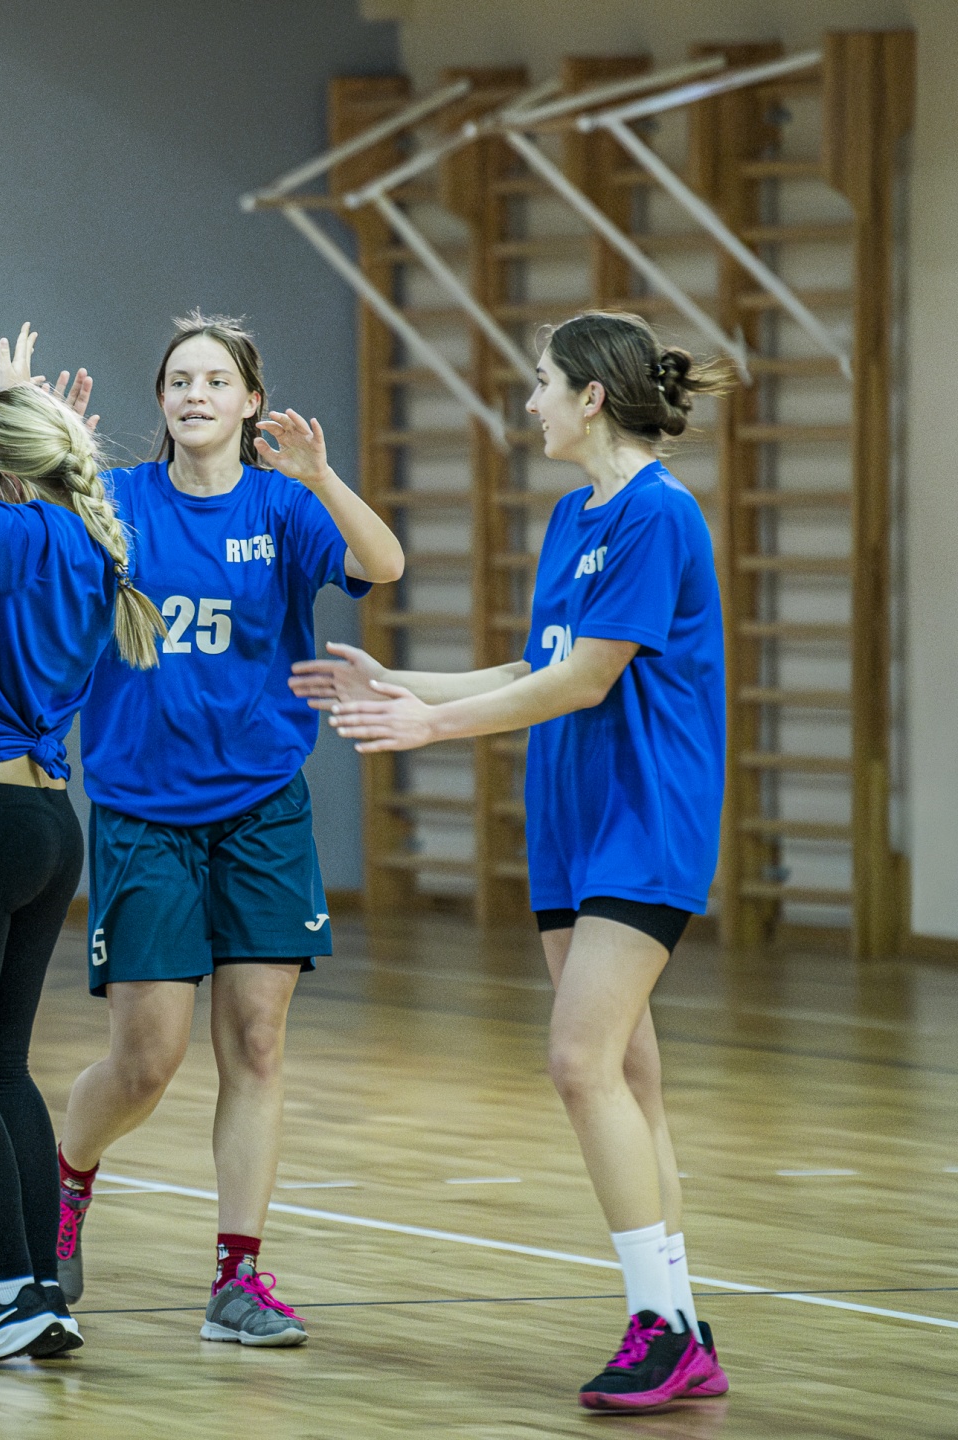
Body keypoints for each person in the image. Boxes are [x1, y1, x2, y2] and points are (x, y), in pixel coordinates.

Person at [303, 310, 731, 1411]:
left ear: (592, 397)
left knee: (580, 1062)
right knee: (628, 1077)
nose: (529, 401)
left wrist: (431, 730)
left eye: (542, 382)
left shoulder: (659, 514)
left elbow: (586, 681)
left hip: (645, 817)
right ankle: (685, 1325)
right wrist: (399, 685)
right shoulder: (572, 517)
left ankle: (656, 1324)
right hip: (571, 820)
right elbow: (531, 663)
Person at [53, 313, 404, 1346]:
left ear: (252, 402)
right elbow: (18, 547)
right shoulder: (118, 501)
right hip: (143, 812)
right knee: (146, 1061)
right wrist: (53, 464)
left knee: (255, 1041)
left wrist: (322, 477)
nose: (194, 395)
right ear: (161, 402)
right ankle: (66, 1178)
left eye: (215, 380)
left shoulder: (284, 506)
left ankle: (237, 1278)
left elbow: (382, 563)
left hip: (261, 809)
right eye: (179, 381)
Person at [0, 322, 164, 1366]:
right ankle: (43, 1293)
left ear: (8, 476)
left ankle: (7, 1290)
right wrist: (15, 405)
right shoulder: (92, 544)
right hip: (51, 824)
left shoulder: (24, 538)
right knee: (5, 1066)